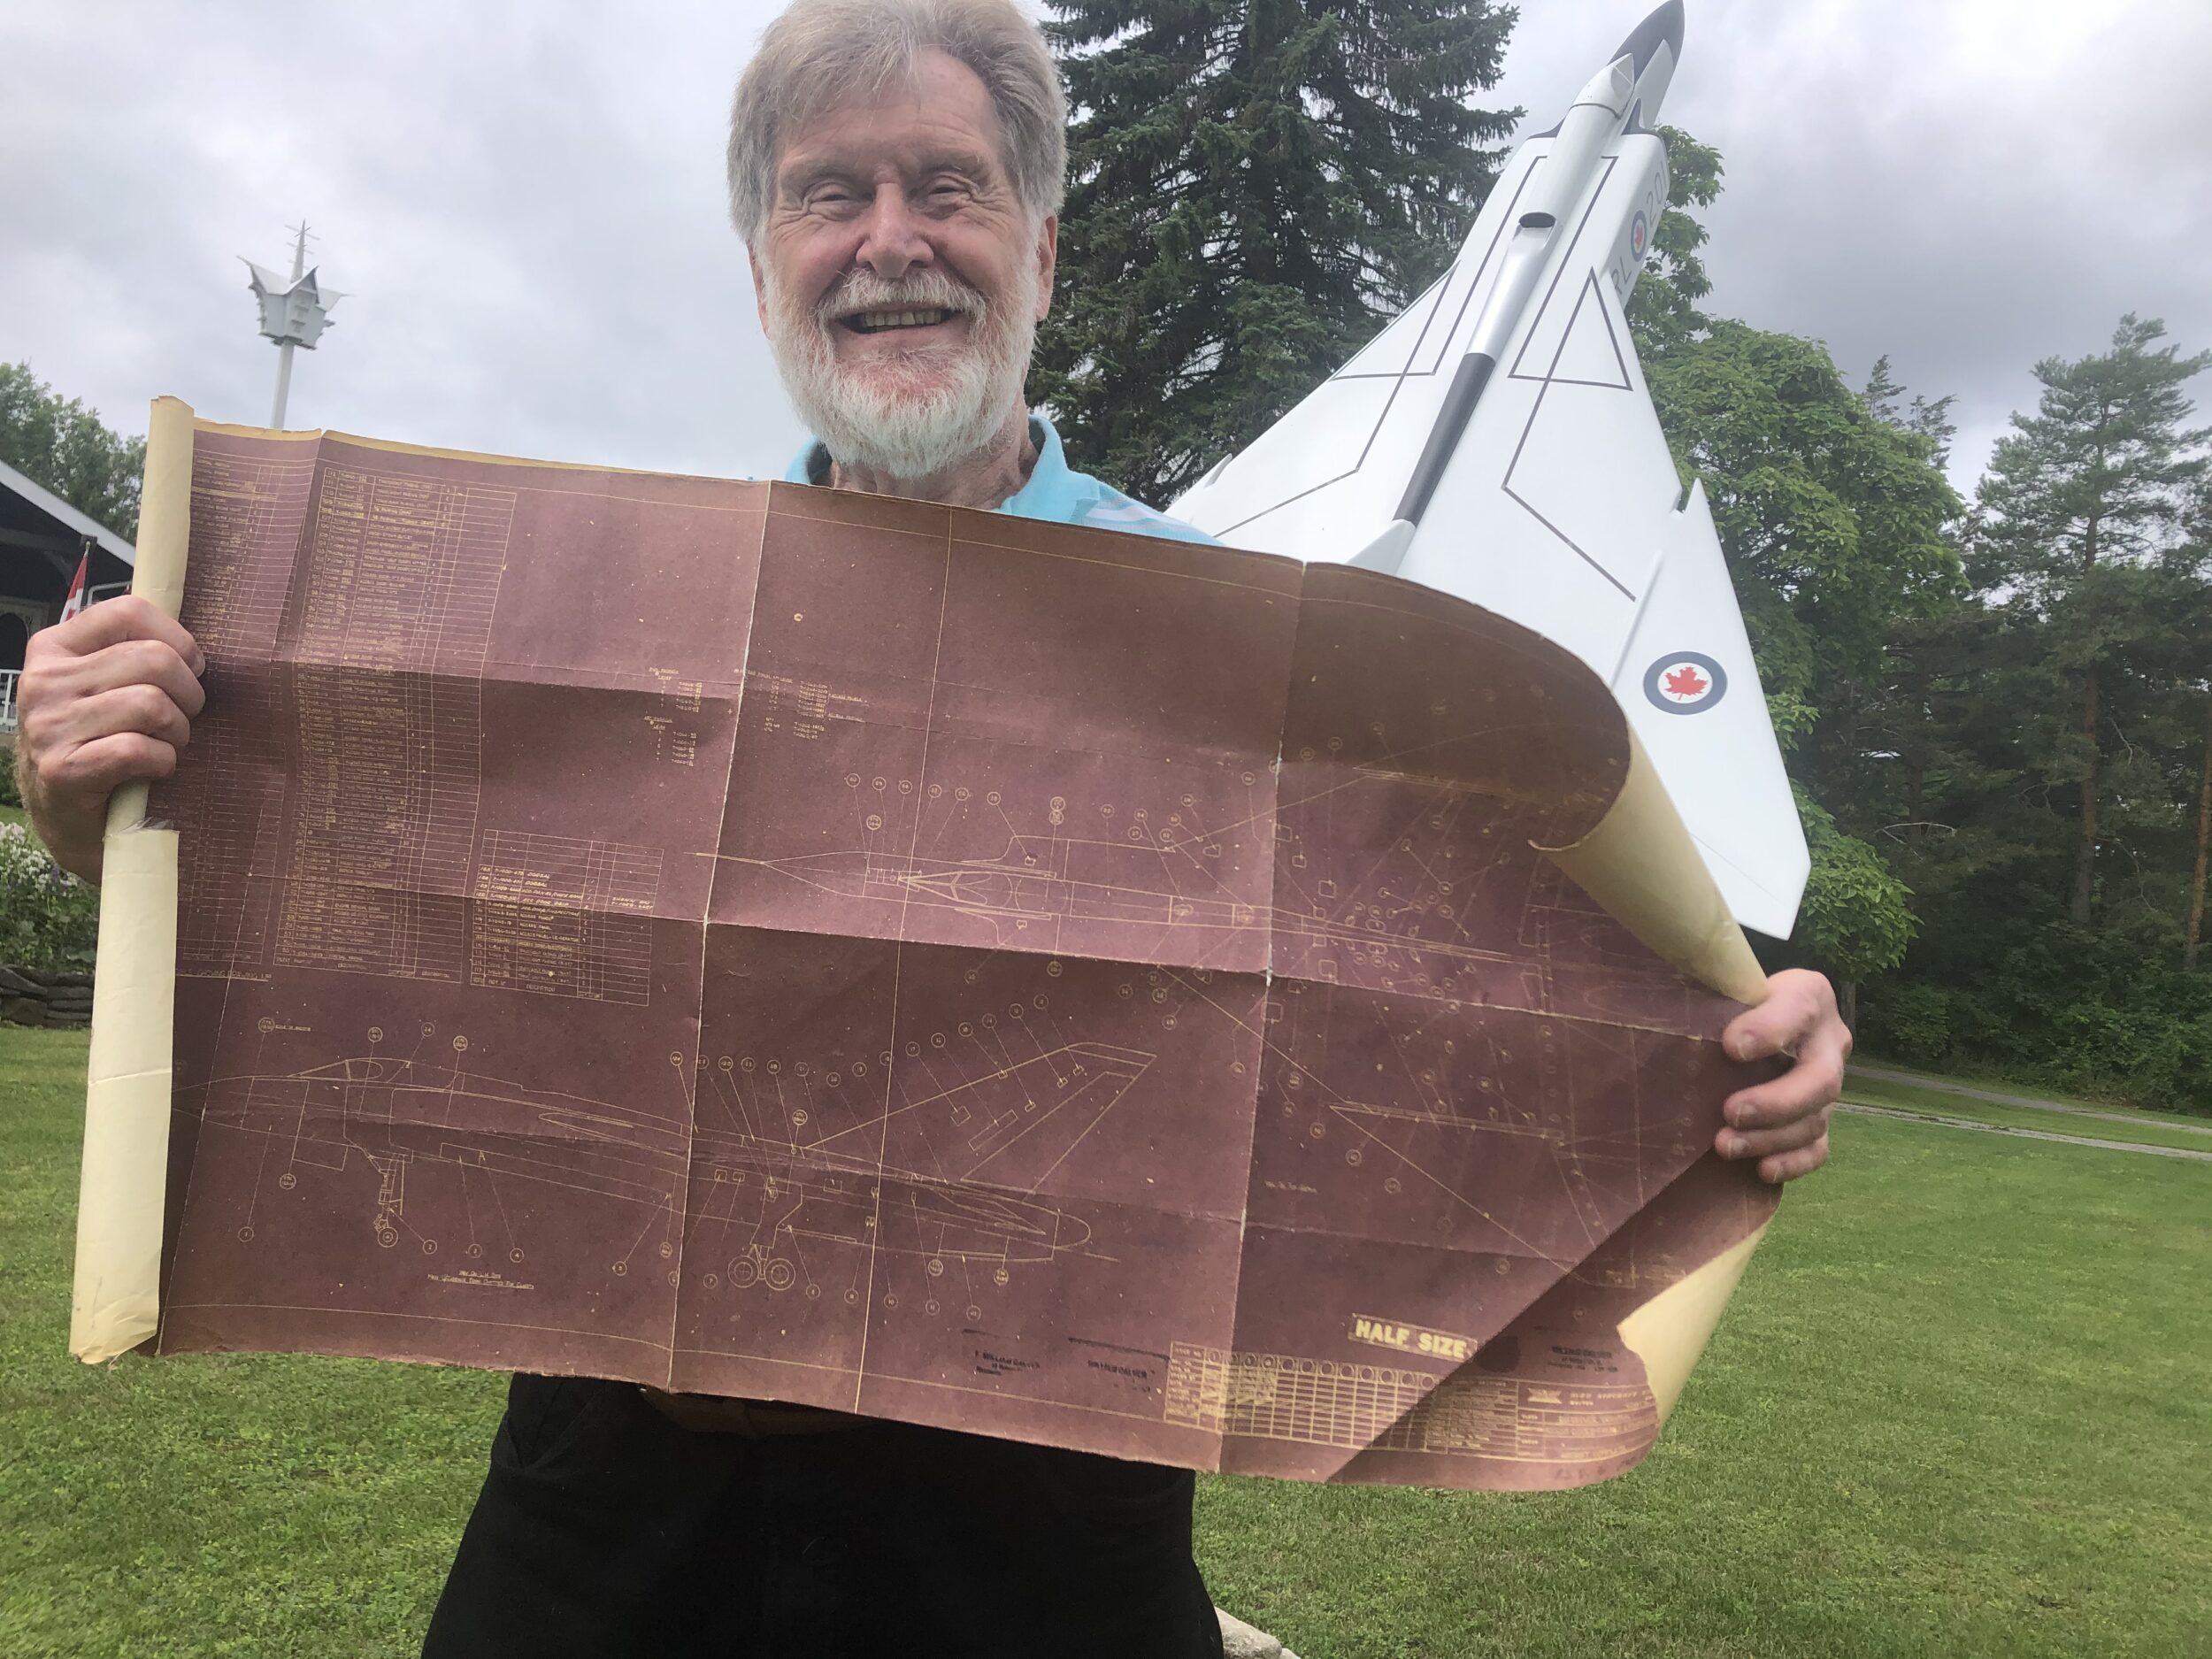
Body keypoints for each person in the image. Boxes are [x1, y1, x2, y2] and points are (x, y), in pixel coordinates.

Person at [13, 2, 1848, 1653]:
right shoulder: (592, 625)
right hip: (625, 1470)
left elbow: (1453, 993)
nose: (890, 240)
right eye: (830, 196)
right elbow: (373, 925)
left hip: (1042, 1501)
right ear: (761, 271)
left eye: (947, 188)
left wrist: (1729, 1033)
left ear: (1038, 251)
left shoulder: (1257, 645)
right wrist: (115, 804)